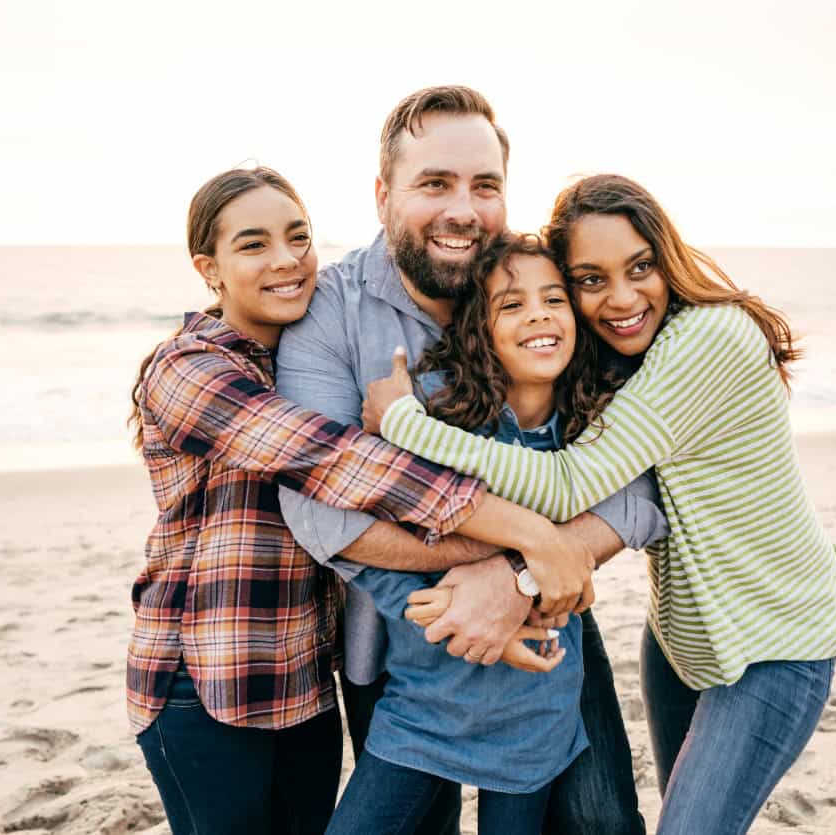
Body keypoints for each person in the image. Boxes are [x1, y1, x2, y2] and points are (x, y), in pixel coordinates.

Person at [365, 173, 836, 835]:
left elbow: (570, 484)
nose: (622, 297)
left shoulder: (706, 339)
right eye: (591, 280)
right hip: (682, 642)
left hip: (777, 641)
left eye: (640, 267)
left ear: (668, 258)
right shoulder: (630, 353)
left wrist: (405, 422)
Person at [127, 167, 596, 834]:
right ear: (211, 268)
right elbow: (337, 461)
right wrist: (533, 535)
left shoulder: (297, 352)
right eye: (253, 245)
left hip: (306, 679)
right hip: (207, 681)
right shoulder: (189, 370)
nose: (287, 259)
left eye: (298, 236)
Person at [277, 88, 665, 835]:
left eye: (484, 185)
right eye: (435, 183)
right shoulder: (333, 309)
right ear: (384, 193)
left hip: (546, 630)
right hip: (402, 645)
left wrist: (519, 576)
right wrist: (526, 540)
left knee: (603, 823)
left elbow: (640, 482)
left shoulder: (539, 283)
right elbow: (318, 505)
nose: (464, 208)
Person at [330, 232, 664, 835]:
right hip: (425, 706)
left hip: (535, 711)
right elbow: (370, 547)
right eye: (510, 305)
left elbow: (632, 511)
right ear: (478, 330)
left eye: (553, 298)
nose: (536, 313)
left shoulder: (594, 436)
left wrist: (524, 594)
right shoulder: (442, 422)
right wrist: (445, 615)